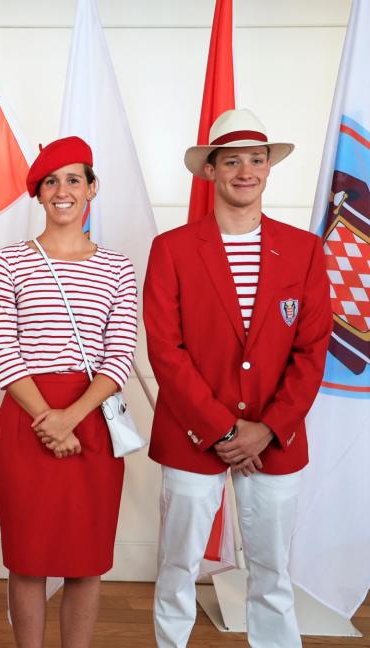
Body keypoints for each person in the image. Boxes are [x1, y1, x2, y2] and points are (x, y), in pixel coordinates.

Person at [145, 109, 333, 648]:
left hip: (276, 440)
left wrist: (267, 428)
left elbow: (311, 349)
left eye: (256, 159)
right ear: (211, 172)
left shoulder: (303, 250)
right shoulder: (173, 249)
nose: (245, 171)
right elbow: (166, 350)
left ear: (269, 169)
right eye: (232, 161)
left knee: (272, 571)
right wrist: (225, 431)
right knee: (178, 565)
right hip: (193, 436)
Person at [0, 136, 137, 648]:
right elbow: (3, 351)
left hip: (92, 416)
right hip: (27, 419)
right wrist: (49, 418)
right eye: (51, 181)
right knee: (27, 559)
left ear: (92, 189)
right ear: (39, 195)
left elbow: (120, 357)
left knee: (85, 561)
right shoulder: (7, 263)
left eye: (74, 179)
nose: (62, 190)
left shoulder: (118, 267)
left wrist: (71, 417)